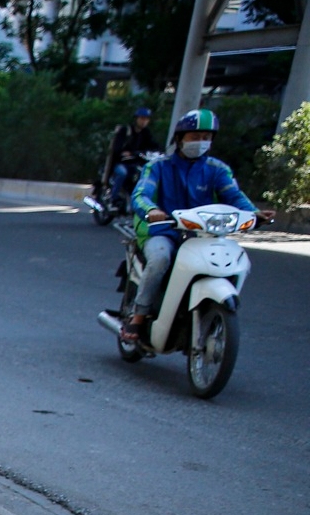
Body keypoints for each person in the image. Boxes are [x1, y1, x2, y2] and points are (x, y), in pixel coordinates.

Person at [121, 109, 274, 343]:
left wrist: (254, 213)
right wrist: (151, 211)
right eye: (194, 137)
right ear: (180, 138)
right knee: (160, 258)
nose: (200, 142)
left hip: (203, 235)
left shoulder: (218, 170)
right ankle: (139, 315)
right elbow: (141, 194)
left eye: (206, 137)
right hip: (163, 231)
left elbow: (234, 197)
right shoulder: (158, 167)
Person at [102, 106, 160, 203]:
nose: (144, 121)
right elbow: (117, 148)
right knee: (122, 173)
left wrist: (159, 151)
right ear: (136, 119)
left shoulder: (146, 133)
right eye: (141, 118)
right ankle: (113, 198)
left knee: (142, 173)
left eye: (146, 119)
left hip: (135, 163)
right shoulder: (125, 130)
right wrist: (126, 153)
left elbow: (152, 145)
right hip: (121, 162)